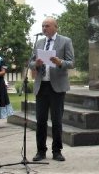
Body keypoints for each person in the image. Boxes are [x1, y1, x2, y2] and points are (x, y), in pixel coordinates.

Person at [29, 17, 74, 162]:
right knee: (40, 120)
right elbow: (30, 63)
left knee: (56, 121)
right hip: (41, 86)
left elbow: (72, 63)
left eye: (47, 26)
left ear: (55, 27)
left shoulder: (65, 41)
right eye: (42, 26)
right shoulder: (39, 42)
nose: (44, 29)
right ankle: (40, 151)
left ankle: (57, 151)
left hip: (57, 87)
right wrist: (36, 63)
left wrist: (60, 62)